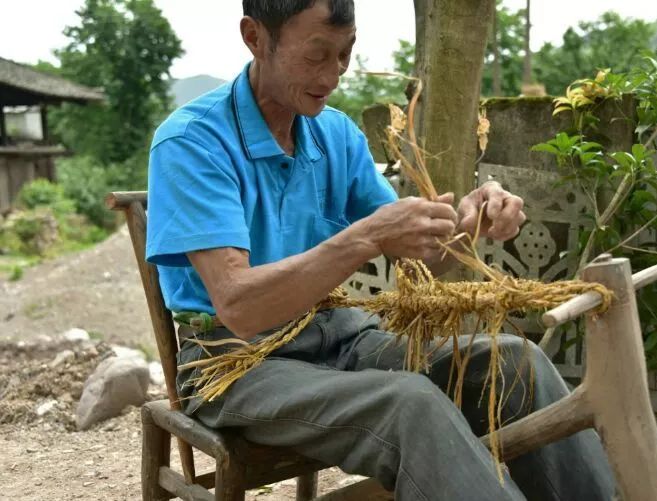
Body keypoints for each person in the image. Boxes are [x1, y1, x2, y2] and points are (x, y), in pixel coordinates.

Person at [145, 1, 615, 499]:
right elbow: (239, 306)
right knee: (410, 405)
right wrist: (365, 236)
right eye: (317, 55)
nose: (334, 75)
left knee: (515, 364)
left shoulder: (335, 134)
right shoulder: (192, 141)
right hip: (236, 364)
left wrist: (470, 225)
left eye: (346, 55)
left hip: (339, 335)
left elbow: (422, 255)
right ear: (255, 37)